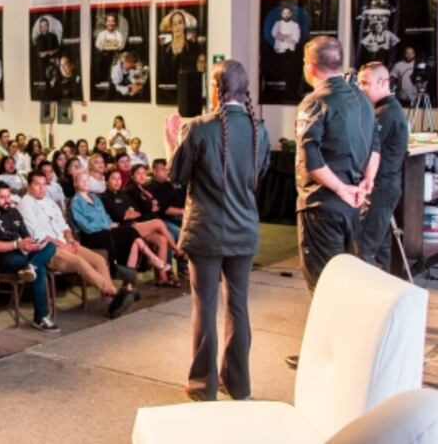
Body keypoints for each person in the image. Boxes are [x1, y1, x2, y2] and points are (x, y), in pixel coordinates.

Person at [168, 59, 271, 402]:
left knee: (205, 307)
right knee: (238, 307)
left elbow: (177, 176)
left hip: (206, 231)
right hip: (244, 230)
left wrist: (171, 141)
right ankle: (238, 383)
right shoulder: (259, 130)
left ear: (215, 89)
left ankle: (203, 385)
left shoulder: (198, 127)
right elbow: (260, 173)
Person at [290, 37, 379, 369]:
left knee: (323, 283)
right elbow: (376, 144)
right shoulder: (361, 98)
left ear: (310, 67)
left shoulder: (315, 102)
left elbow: (311, 160)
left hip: (322, 205)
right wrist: (366, 182)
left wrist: (341, 188)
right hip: (353, 204)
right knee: (346, 278)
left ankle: (326, 357)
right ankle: (348, 351)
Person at [18, 171, 134, 318]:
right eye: (37, 185)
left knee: (98, 260)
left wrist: (71, 240)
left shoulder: (49, 202)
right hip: (48, 251)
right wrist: (62, 245)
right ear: (29, 186)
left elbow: (64, 225)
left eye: (44, 184)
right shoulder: (24, 205)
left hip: (66, 244)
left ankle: (112, 304)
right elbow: (37, 235)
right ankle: (116, 293)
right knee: (80, 262)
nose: (42, 188)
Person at [0, 181, 59, 332]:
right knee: (39, 270)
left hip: (22, 253)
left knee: (50, 246)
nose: (7, 201)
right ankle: (41, 317)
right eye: (2, 197)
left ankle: (30, 267)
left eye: (9, 196)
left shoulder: (14, 212)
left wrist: (33, 245)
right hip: (0, 259)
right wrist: (17, 245)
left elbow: (26, 236)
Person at [357, 62, 409, 269]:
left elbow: (369, 150)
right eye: (359, 83)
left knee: (363, 248)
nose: (361, 88)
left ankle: (365, 289)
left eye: (365, 83)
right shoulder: (385, 110)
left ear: (382, 82)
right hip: (386, 187)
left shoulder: (386, 113)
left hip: (380, 188)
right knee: (381, 247)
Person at [100, 168, 180, 287]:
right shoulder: (105, 197)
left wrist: (128, 213)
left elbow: (137, 212)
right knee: (158, 223)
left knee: (162, 240)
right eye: (113, 179)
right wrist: (127, 213)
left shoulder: (123, 194)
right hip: (123, 229)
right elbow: (119, 216)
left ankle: (162, 278)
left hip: (134, 225)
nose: (117, 181)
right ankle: (177, 250)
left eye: (119, 178)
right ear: (107, 181)